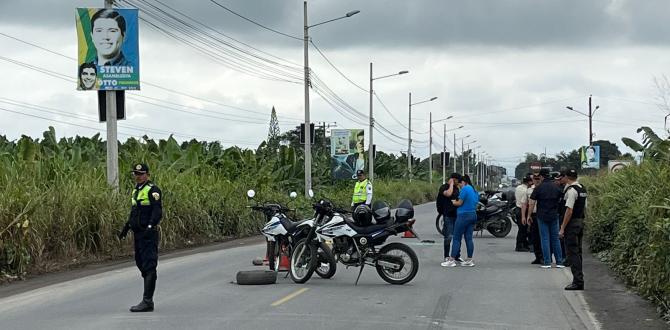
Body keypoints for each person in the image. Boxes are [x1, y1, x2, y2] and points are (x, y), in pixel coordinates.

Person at [119, 163, 163, 312]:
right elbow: (134, 212)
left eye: (140, 174)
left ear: (147, 175)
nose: (137, 176)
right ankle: (147, 296)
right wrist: (126, 228)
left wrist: (150, 226)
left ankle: (147, 301)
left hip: (148, 234)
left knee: (149, 265)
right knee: (140, 263)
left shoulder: (153, 190)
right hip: (138, 234)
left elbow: (157, 211)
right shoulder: (136, 190)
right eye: (135, 174)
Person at [529, 168, 564, 269]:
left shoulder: (539, 188)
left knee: (544, 239)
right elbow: (562, 199)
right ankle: (559, 262)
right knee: (555, 239)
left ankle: (547, 262)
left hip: (542, 215)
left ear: (541, 176)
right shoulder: (556, 187)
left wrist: (529, 215)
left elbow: (532, 202)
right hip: (554, 215)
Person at [559, 169, 587, 290]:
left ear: (567, 177)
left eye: (563, 177)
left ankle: (578, 281)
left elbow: (569, 211)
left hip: (572, 224)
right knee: (578, 252)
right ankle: (579, 278)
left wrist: (562, 228)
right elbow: (585, 208)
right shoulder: (582, 189)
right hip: (580, 222)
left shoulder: (571, 191)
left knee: (572, 253)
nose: (561, 179)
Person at [443, 174, 478, 267]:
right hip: (473, 215)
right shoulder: (474, 190)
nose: (459, 186)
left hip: (463, 216)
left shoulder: (465, 189)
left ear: (463, 182)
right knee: (469, 238)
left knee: (457, 238)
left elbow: (459, 202)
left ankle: (451, 260)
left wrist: (454, 202)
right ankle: (469, 260)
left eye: (460, 184)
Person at [440, 173, 463, 266]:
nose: (459, 182)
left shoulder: (457, 189)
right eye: (457, 180)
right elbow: (448, 194)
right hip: (448, 215)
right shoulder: (444, 187)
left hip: (457, 215)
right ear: (453, 179)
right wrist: (451, 184)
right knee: (448, 236)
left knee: (458, 237)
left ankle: (456, 255)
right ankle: (446, 256)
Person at [527, 174, 543, 264]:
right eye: (535, 179)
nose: (537, 181)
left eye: (538, 179)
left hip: (542, 214)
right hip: (533, 215)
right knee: (535, 237)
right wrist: (526, 216)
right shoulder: (529, 190)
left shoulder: (544, 189)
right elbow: (525, 203)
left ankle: (544, 256)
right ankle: (537, 256)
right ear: (532, 180)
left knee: (543, 237)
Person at [514, 175, 532, 252]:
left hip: (517, 208)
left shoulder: (518, 188)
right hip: (522, 210)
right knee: (523, 229)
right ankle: (519, 245)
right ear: (529, 182)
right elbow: (524, 203)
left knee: (521, 228)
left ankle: (524, 244)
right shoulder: (526, 190)